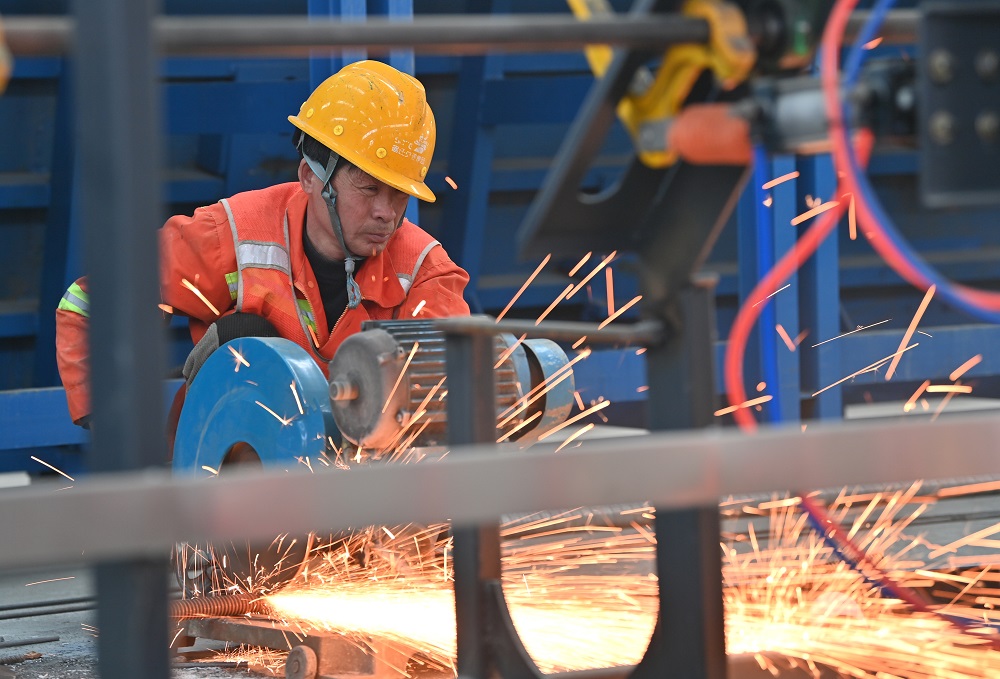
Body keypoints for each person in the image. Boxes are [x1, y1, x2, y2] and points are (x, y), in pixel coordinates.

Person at [55, 60, 471, 430]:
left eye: (399, 194)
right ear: (310, 177)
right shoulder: (233, 234)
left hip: (362, 483)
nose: (386, 213)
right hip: (221, 469)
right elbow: (91, 302)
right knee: (245, 337)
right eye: (368, 188)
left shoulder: (425, 274)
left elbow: (446, 404)